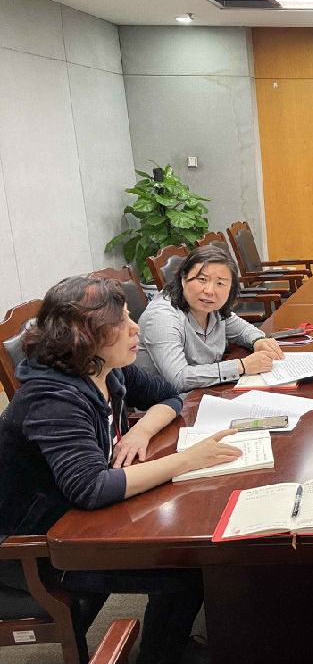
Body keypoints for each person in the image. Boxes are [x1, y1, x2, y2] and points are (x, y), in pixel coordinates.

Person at [0, 276, 244, 664]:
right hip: (36, 550)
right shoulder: (52, 397)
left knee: (189, 549)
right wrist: (187, 460)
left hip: (79, 521)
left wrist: (140, 432)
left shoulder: (106, 368)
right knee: (185, 571)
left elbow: (169, 396)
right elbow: (91, 489)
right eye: (121, 321)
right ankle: (161, 655)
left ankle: (167, 648)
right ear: (83, 336)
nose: (135, 327)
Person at [136, 245, 285, 392]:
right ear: (183, 279)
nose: (209, 291)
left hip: (205, 390)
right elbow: (179, 378)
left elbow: (242, 330)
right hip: (167, 401)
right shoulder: (162, 317)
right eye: (202, 279)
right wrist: (241, 366)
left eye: (220, 283)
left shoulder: (213, 308)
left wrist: (258, 341)